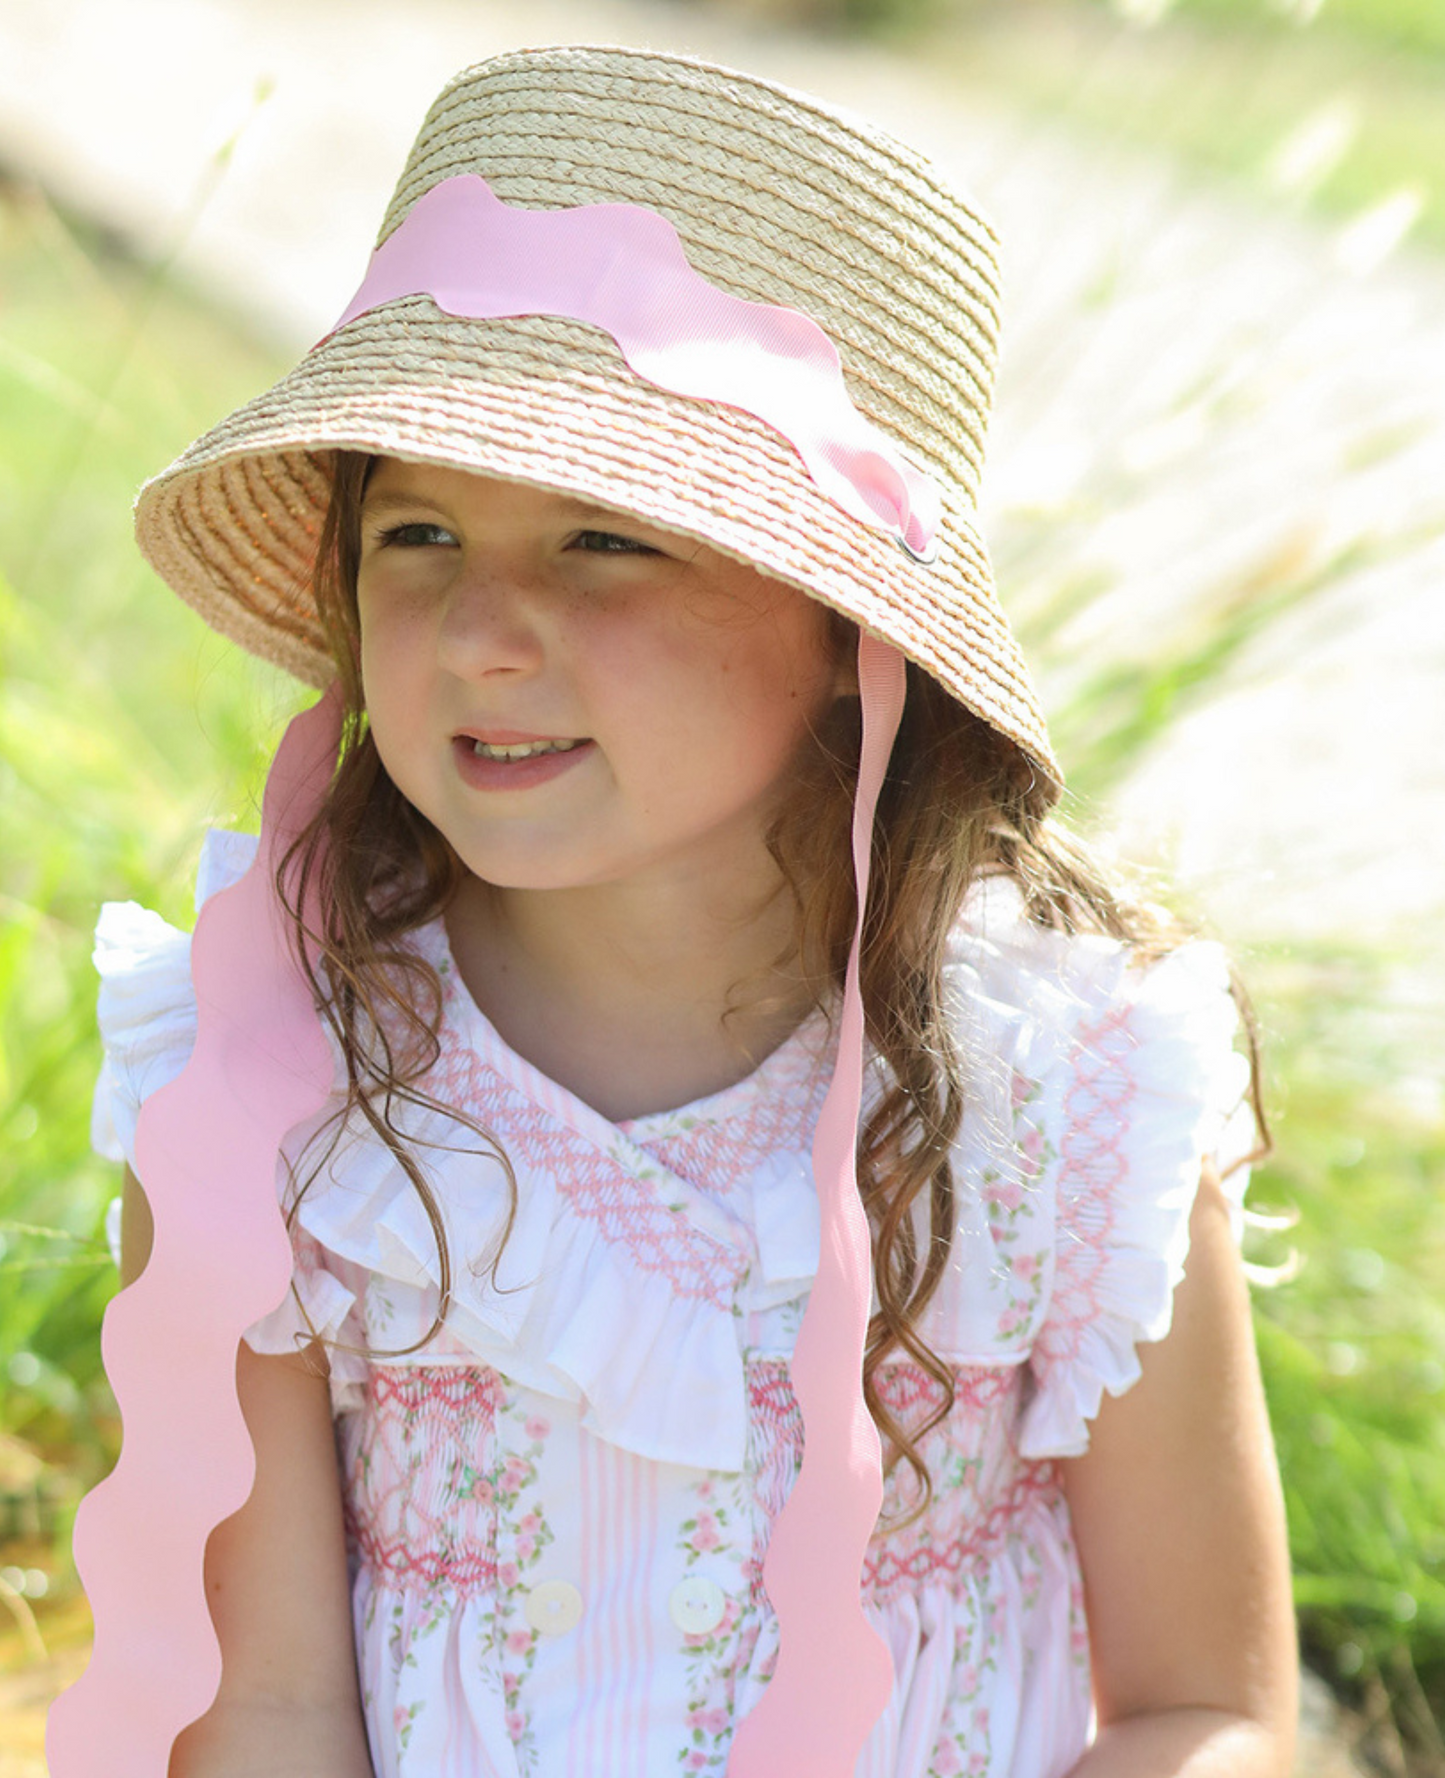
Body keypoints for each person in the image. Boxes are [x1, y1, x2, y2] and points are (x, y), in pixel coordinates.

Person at [50, 44, 1296, 1778]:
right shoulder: (275, 1070)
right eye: (415, 530)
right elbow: (265, 1708)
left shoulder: (1066, 1090)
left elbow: (1206, 1705)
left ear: (852, 638)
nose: (483, 629)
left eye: (605, 539)